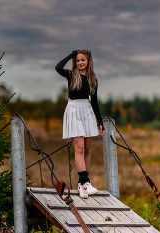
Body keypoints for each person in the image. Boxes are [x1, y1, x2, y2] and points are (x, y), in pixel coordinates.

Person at [55, 49, 104, 199]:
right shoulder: (71, 74)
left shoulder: (93, 78)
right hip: (74, 111)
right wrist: (71, 55)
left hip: (87, 111)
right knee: (80, 148)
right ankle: (86, 182)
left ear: (88, 61)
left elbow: (94, 102)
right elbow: (57, 67)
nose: (80, 63)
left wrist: (99, 121)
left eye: (83, 60)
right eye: (78, 60)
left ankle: (81, 185)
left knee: (87, 149)